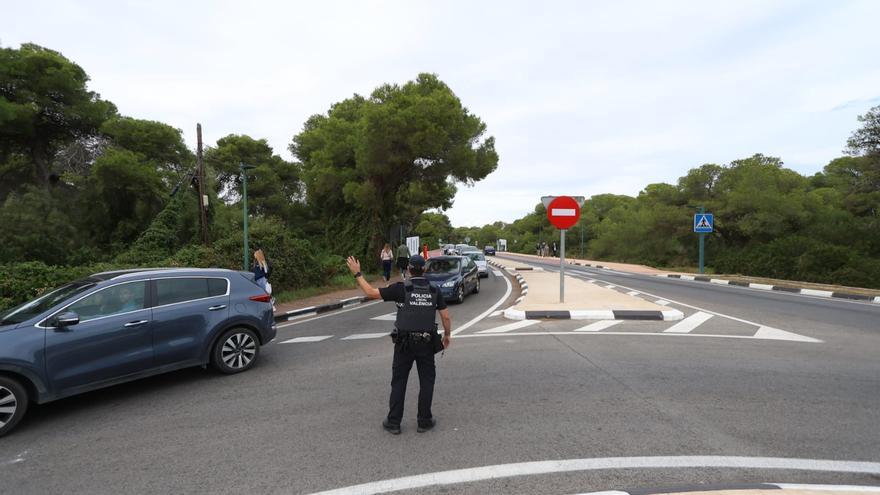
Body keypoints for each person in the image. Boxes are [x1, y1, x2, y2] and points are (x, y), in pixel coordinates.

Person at [346, 254, 452, 435]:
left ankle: (394, 422)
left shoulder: (401, 288)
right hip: (426, 343)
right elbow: (445, 316)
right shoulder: (435, 290)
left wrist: (357, 274)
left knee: (399, 382)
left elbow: (371, 293)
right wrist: (447, 335)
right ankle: (424, 421)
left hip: (404, 344)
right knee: (427, 381)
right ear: (424, 269)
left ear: (409, 270)